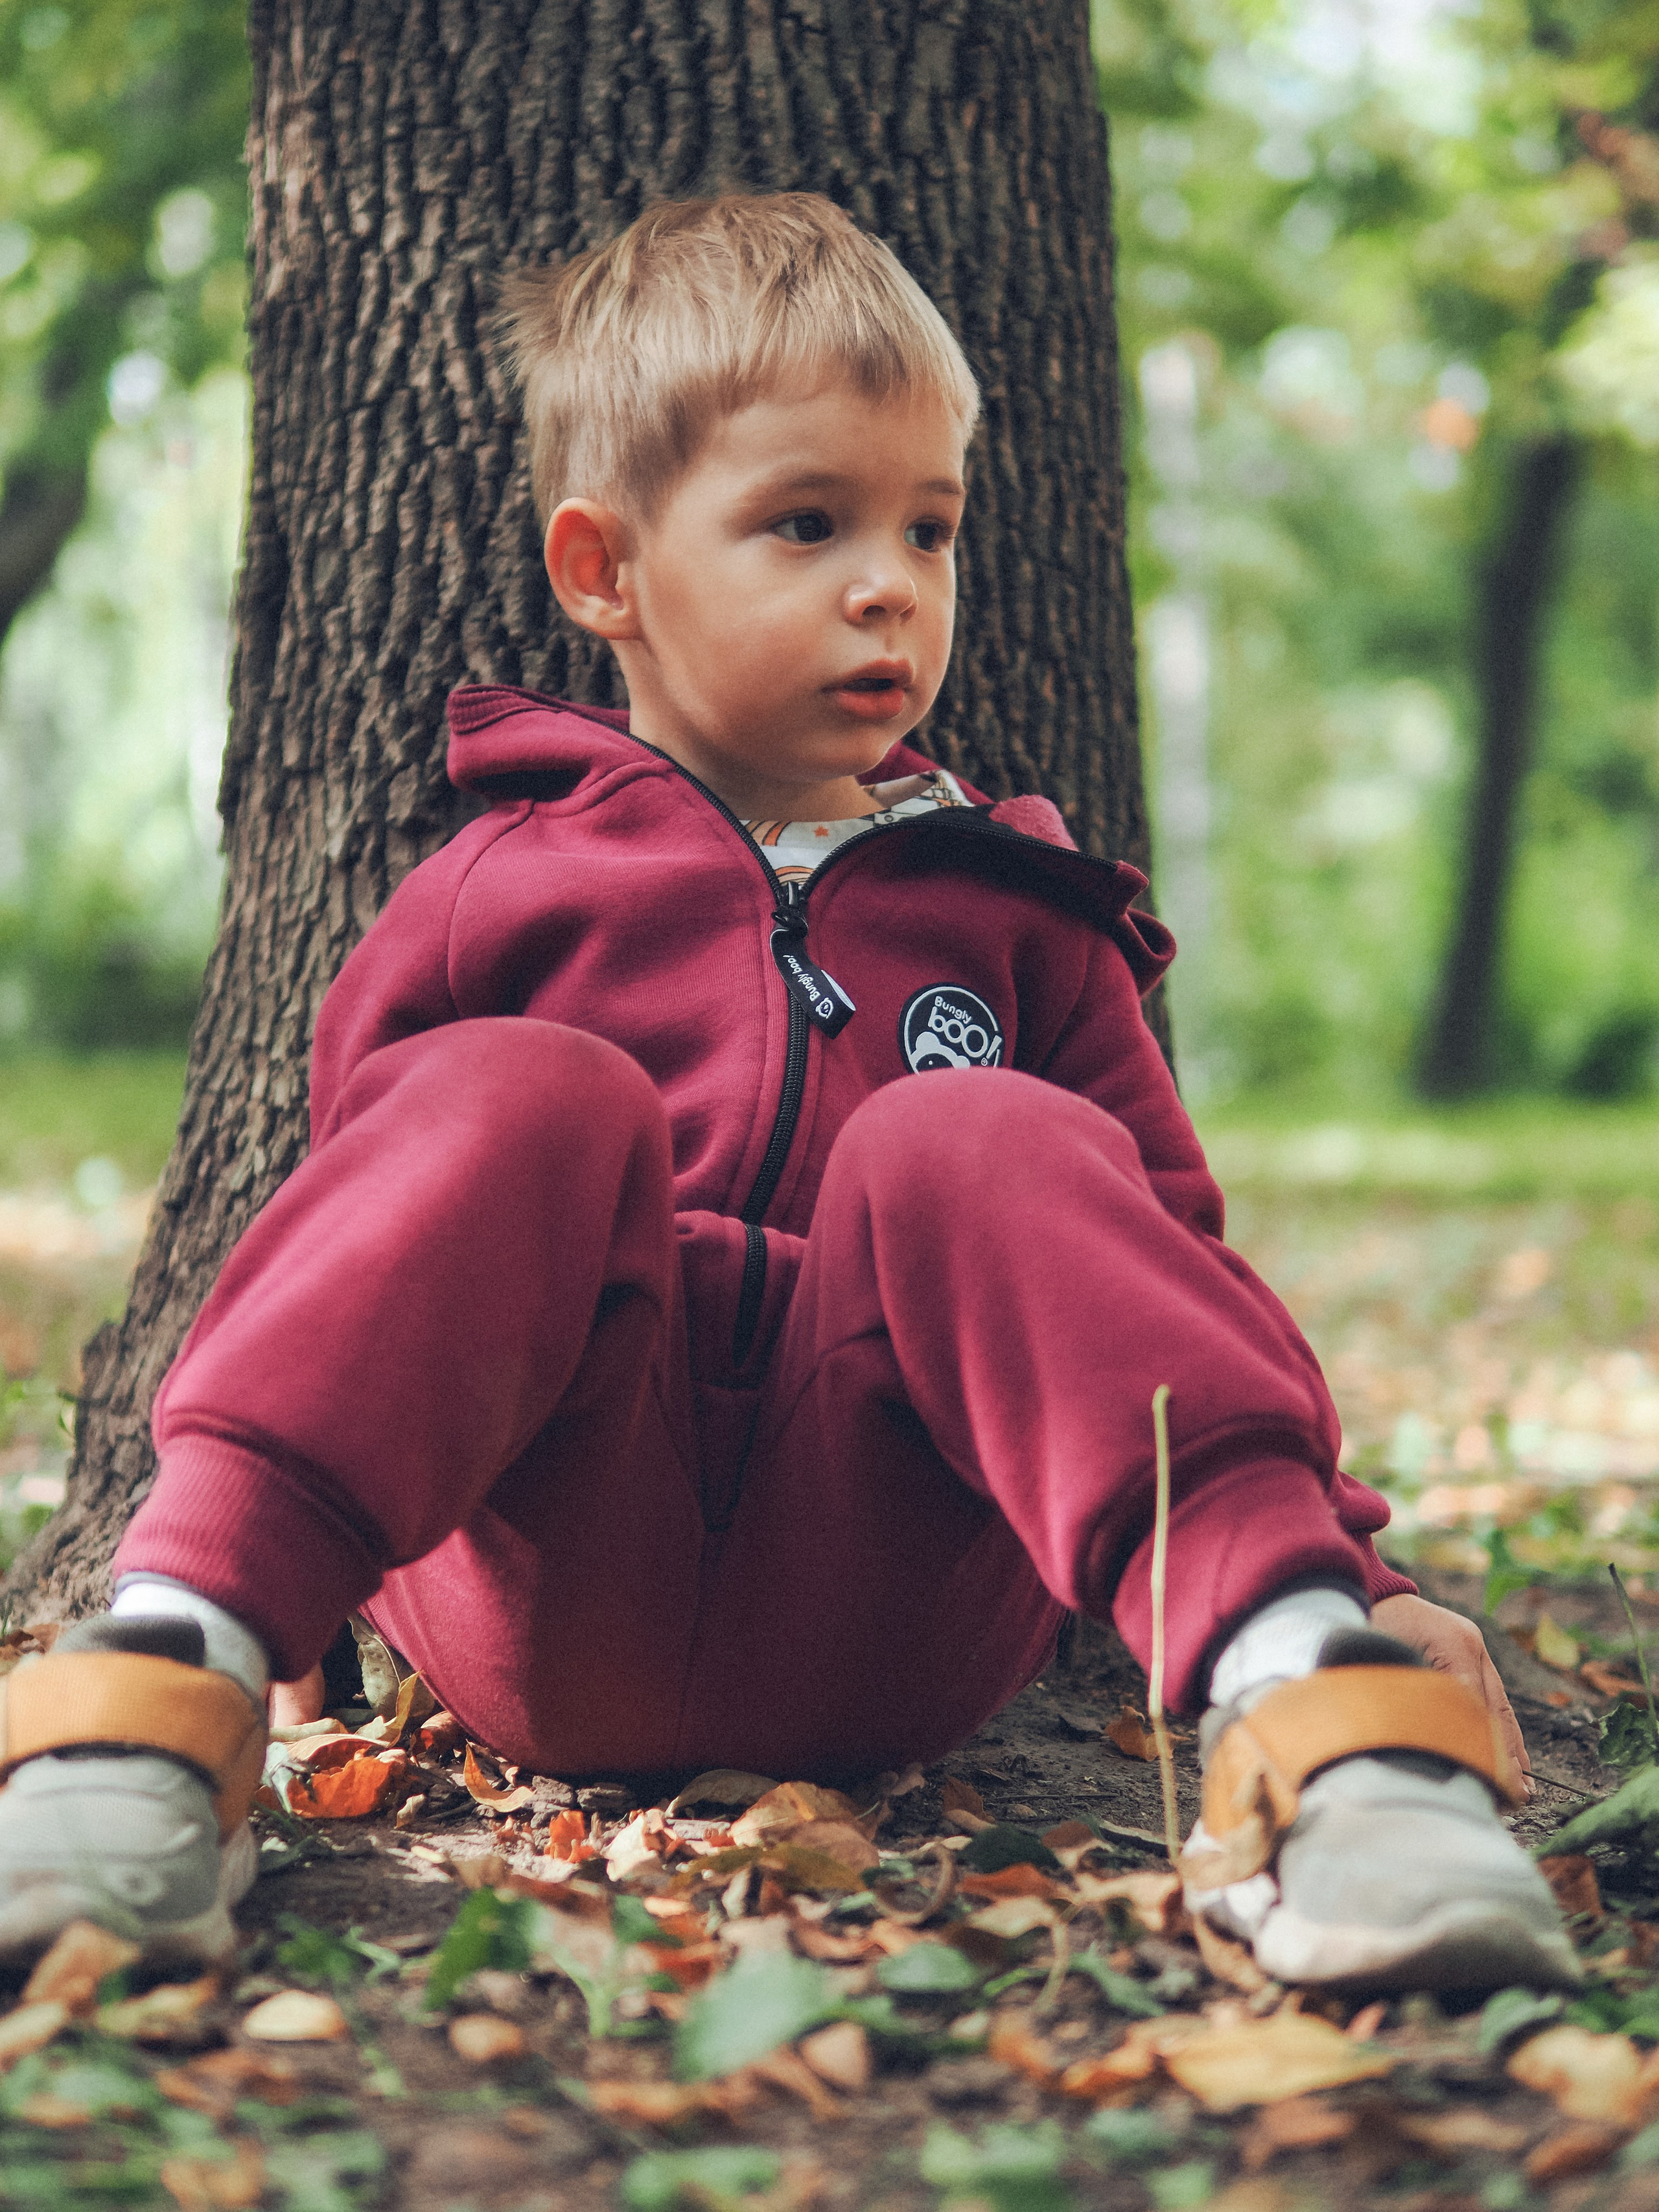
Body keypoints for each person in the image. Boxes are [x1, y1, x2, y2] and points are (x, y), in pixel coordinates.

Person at [0, 194, 1575, 1993]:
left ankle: (1328, 1728)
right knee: (516, 1097)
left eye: (930, 527)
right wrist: (282, 1569)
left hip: (889, 1594)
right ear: (604, 573)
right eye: (804, 523)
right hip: (549, 1581)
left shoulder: (1019, 915)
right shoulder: (493, 889)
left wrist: (1357, 1573)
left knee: (974, 1140)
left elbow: (1170, 1280)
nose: (887, 582)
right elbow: (348, 1244)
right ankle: (153, 1697)